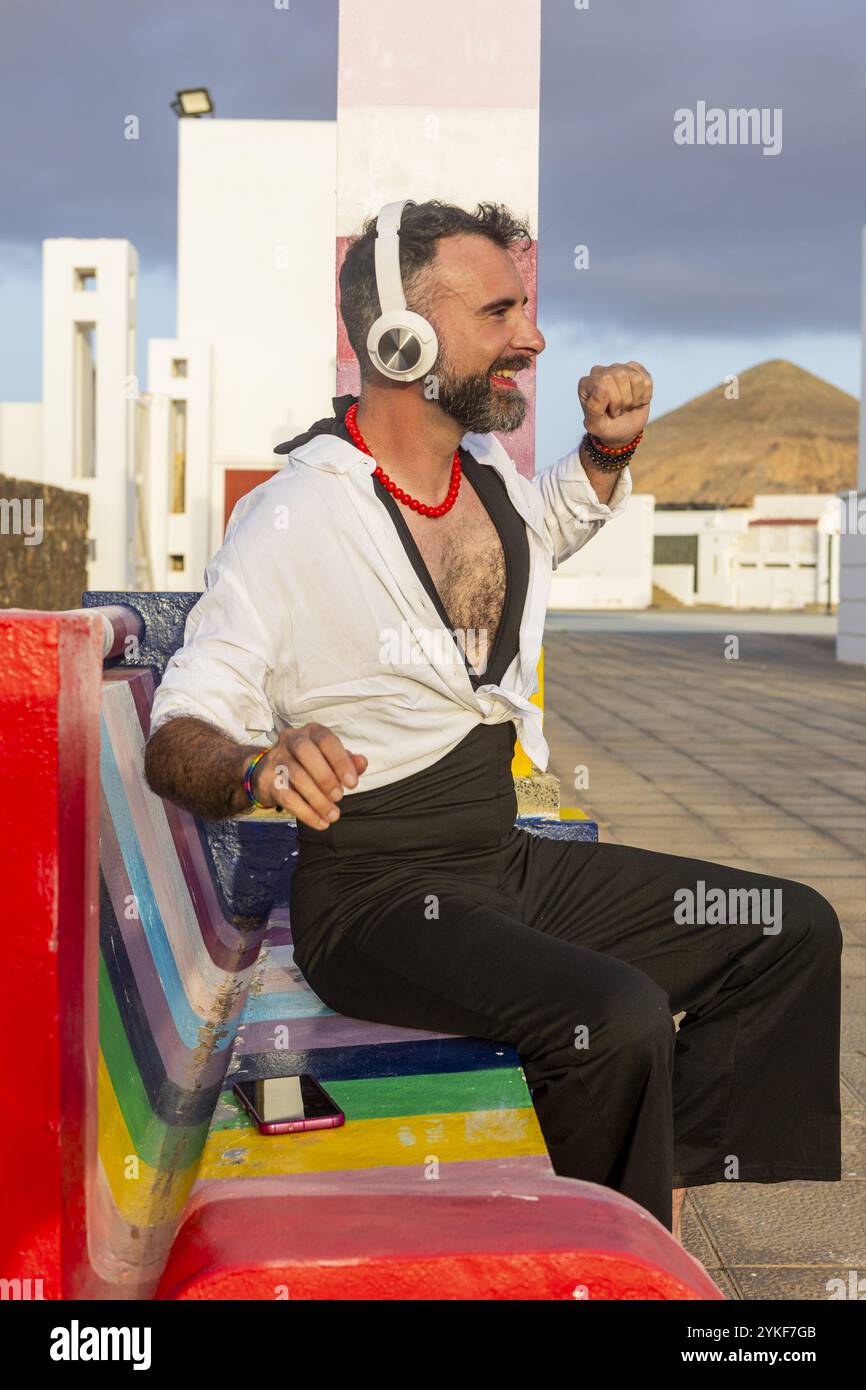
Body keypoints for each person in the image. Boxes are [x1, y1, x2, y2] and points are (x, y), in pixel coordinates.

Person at [144, 199, 842, 1242]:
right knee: (615, 1016)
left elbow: (535, 534)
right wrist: (258, 769)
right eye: (500, 313)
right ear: (400, 339)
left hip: (499, 861)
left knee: (787, 929)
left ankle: (648, 1195)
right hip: (377, 895)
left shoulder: (486, 477)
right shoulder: (292, 520)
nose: (533, 337)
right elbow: (180, 729)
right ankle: (601, 1250)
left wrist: (605, 452)